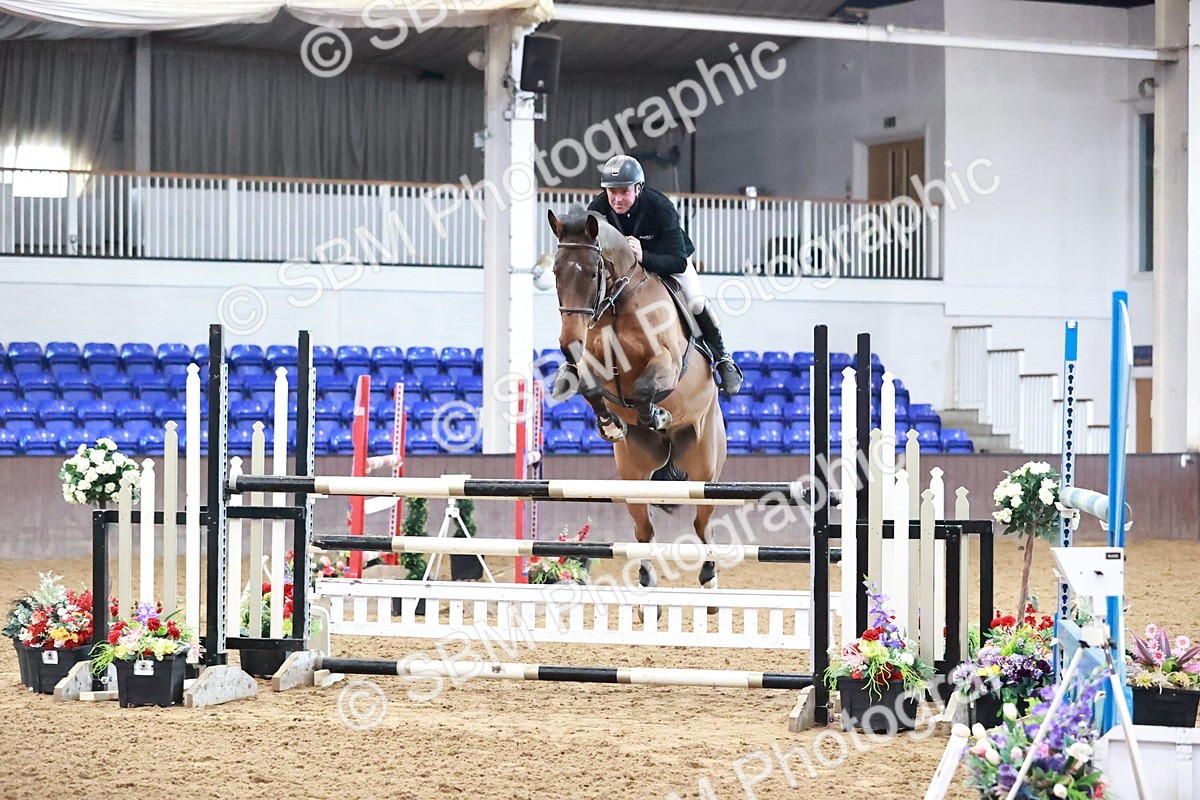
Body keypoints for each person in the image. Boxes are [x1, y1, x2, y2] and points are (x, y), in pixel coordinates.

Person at [553, 154, 743, 398]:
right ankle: (573, 364)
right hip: (623, 276)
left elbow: (678, 259)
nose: (617, 199)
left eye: (624, 191)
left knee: (695, 300)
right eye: (612, 192)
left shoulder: (660, 207)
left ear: (638, 188)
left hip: (666, 261)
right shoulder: (598, 210)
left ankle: (723, 358)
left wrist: (644, 255)